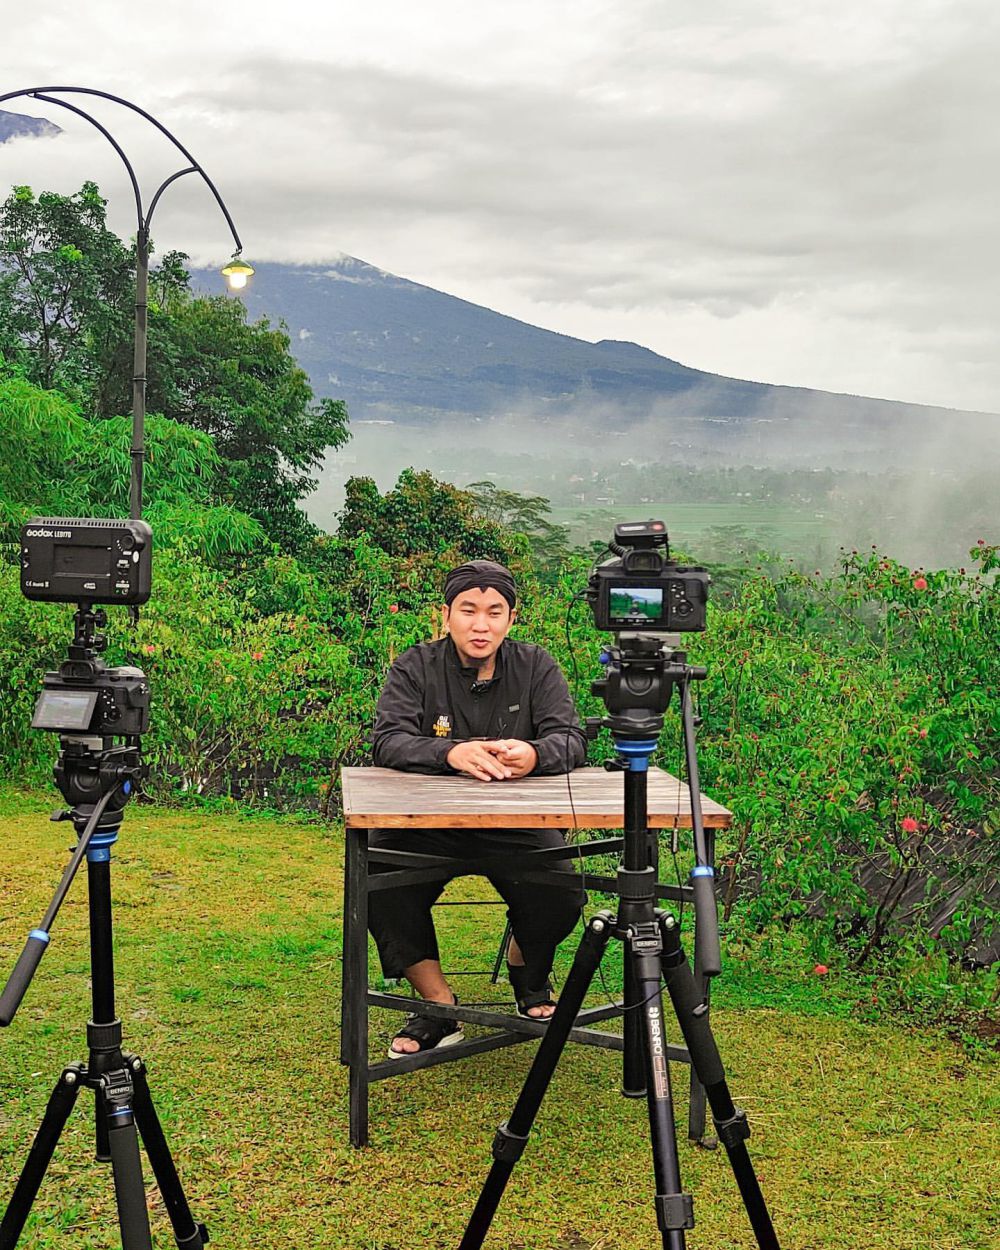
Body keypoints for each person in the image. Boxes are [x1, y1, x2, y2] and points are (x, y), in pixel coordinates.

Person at [369, 558, 587, 1058]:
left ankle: (527, 972)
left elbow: (570, 738)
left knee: (561, 891)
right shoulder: (414, 667)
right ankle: (438, 1007)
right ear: (444, 615)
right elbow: (387, 741)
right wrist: (450, 752)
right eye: (468, 610)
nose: (480, 624)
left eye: (494, 611)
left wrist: (533, 754)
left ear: (512, 619)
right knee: (379, 878)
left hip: (515, 823)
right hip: (424, 824)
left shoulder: (536, 666)